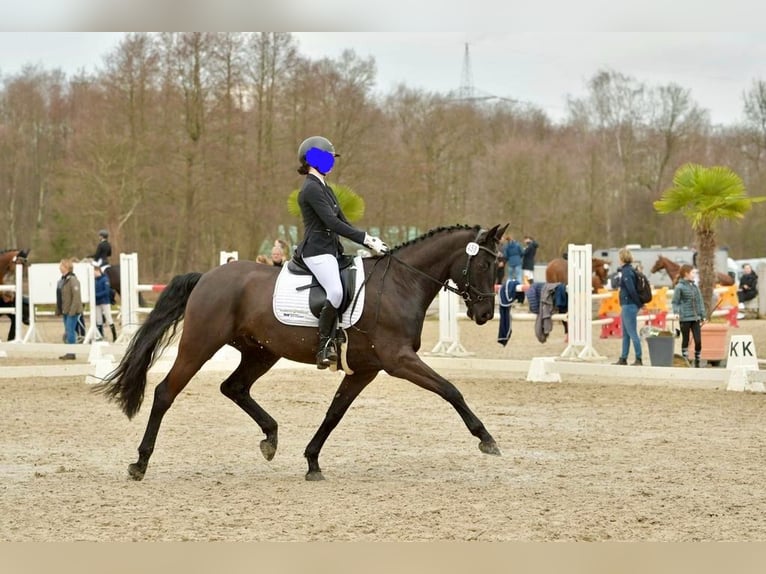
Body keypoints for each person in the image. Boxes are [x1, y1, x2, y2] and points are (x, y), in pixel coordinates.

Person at [294, 135, 388, 369]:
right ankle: (324, 345)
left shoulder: (326, 188)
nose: (331, 163)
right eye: (326, 158)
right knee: (335, 291)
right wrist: (365, 238)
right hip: (316, 251)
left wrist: (370, 243)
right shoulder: (310, 189)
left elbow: (343, 221)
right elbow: (331, 223)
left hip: (332, 250)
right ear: (312, 160)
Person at [671, 264, 706, 368]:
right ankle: (685, 360)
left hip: (695, 318)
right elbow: (675, 302)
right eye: (693, 273)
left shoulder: (695, 287)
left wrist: (703, 316)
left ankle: (698, 360)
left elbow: (700, 302)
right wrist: (676, 312)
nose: (694, 275)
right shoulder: (679, 287)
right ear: (686, 274)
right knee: (685, 340)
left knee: (698, 341)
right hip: (684, 318)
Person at [613, 247, 643, 366]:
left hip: (628, 305)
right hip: (627, 305)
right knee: (625, 333)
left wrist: (638, 303)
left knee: (632, 333)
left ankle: (638, 358)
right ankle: (623, 357)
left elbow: (631, 289)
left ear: (622, 258)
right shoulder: (630, 270)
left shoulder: (626, 272)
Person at [56, 258, 83, 360]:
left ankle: (71, 352)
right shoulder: (62, 280)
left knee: (70, 330)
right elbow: (60, 296)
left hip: (72, 311)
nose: (59, 267)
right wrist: (59, 309)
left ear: (66, 267)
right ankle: (70, 350)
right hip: (65, 310)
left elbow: (76, 297)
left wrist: (72, 311)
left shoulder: (73, 280)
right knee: (68, 330)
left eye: (61, 265)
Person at [93, 264, 117, 342]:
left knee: (109, 318)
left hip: (104, 302)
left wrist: (96, 296)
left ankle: (114, 336)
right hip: (97, 303)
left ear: (97, 271)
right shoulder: (94, 280)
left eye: (94, 272)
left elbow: (106, 292)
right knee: (99, 320)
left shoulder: (105, 279)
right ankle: (100, 335)